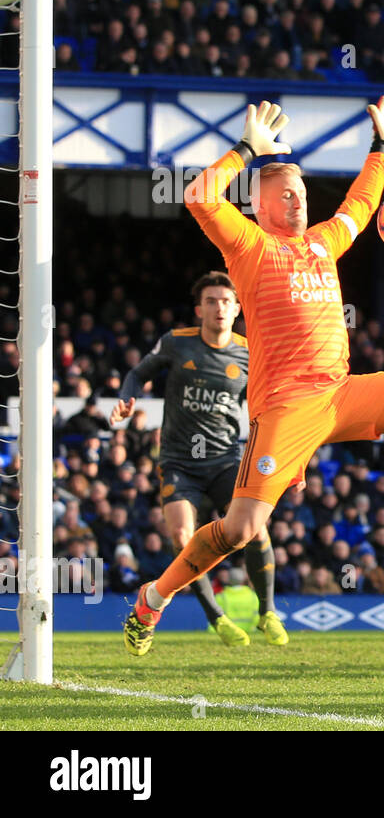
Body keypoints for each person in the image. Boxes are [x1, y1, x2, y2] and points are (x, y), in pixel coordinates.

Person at [123, 99, 384, 656]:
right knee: (241, 529)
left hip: (343, 393)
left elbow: (363, 202)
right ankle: (153, 597)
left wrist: (382, 146)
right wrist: (247, 149)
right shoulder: (250, 247)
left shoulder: (324, 241)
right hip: (287, 409)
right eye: (284, 193)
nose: (297, 199)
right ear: (258, 204)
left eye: (300, 192)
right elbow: (199, 195)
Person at [111, 271, 285, 647]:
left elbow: (271, 408)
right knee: (181, 535)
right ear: (198, 309)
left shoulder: (250, 351)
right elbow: (138, 373)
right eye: (211, 301)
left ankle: (267, 611)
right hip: (179, 461)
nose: (219, 307)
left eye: (225, 301)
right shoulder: (176, 343)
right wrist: (128, 398)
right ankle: (216, 617)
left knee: (254, 530)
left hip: (224, 460)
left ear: (238, 308)